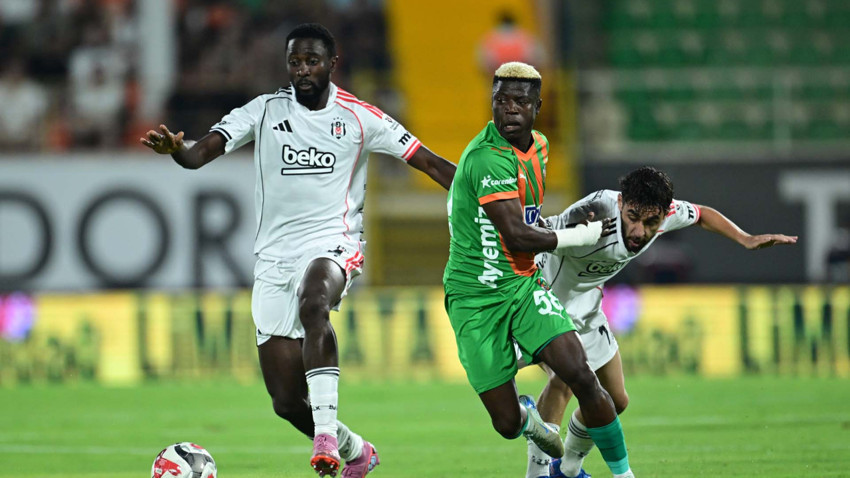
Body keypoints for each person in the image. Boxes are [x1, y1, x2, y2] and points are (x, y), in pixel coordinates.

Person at [140, 23, 456, 477]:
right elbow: (199, 154)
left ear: (332, 63)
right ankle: (355, 449)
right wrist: (176, 150)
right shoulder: (264, 111)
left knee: (314, 304)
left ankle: (325, 434)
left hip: (334, 243)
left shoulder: (362, 117)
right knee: (286, 402)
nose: (302, 70)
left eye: (311, 61)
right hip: (273, 259)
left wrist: (484, 193)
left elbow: (428, 162)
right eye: (295, 62)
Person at [524, 166, 798, 478]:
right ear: (621, 204)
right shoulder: (595, 211)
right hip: (546, 295)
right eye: (633, 218)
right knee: (568, 378)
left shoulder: (667, 213)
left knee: (614, 400)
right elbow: (539, 235)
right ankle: (538, 473)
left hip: (586, 303)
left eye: (651, 222)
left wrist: (745, 238)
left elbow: (702, 213)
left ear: (665, 214)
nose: (640, 231)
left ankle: (568, 468)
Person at [443, 61, 636, 478]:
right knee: (507, 424)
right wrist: (579, 236)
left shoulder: (541, 148)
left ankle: (621, 475)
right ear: (491, 102)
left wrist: (555, 225)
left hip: (524, 286)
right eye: (501, 100)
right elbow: (515, 234)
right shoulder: (487, 158)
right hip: (475, 300)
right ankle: (529, 418)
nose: (509, 109)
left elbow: (528, 218)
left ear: (538, 106)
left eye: (520, 101)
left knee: (581, 376)